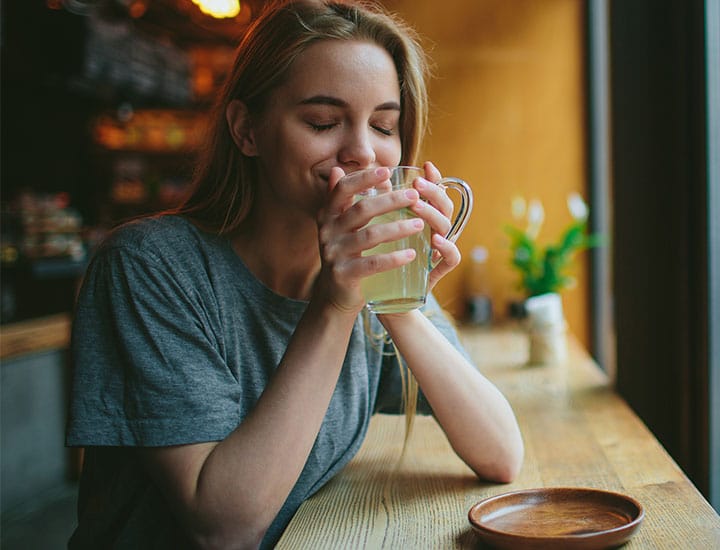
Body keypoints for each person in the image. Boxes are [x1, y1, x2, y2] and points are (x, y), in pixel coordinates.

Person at [65, 1, 524, 548]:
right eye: (323, 122)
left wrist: (397, 298)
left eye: (383, 125)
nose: (361, 153)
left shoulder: (361, 274)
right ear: (246, 130)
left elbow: (501, 453)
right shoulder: (149, 267)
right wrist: (334, 307)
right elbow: (224, 528)